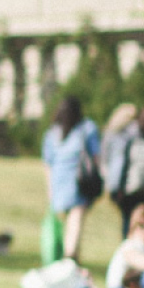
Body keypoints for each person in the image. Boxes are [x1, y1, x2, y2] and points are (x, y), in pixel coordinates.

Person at [40, 96, 102, 263]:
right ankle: (70, 257)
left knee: (67, 224)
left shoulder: (52, 133)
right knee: (75, 220)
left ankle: (71, 259)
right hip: (79, 182)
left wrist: (50, 189)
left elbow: (48, 163)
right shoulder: (87, 128)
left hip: (59, 184)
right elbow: (96, 156)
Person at [96, 103, 139, 237]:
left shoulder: (109, 133)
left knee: (127, 217)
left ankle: (127, 243)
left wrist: (108, 181)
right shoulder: (134, 131)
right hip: (129, 181)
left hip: (114, 182)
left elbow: (103, 159)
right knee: (132, 217)